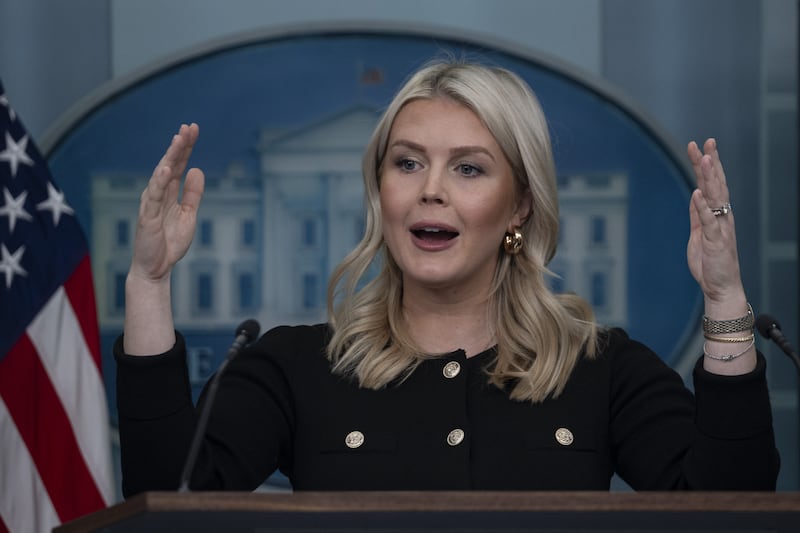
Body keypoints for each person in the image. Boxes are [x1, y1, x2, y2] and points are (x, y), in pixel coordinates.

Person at [116, 60, 779, 496]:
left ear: (519, 205)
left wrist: (724, 298)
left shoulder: (600, 368)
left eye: (468, 168)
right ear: (380, 191)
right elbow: (171, 497)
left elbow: (730, 505)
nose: (430, 190)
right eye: (407, 163)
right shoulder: (297, 365)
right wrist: (148, 283)